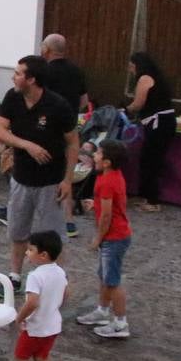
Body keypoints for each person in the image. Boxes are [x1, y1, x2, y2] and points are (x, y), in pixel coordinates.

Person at [0, 55, 78, 292]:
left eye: (18, 73)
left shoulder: (57, 105)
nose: (14, 76)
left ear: (31, 79)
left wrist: (68, 180)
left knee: (54, 235)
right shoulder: (13, 97)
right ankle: (15, 276)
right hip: (21, 177)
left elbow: (72, 142)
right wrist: (26, 145)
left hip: (51, 181)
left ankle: (56, 283)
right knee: (18, 229)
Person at [4, 230, 67, 361]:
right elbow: (66, 292)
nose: (27, 253)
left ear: (43, 255)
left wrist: (20, 317)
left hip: (35, 326)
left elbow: (32, 302)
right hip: (52, 325)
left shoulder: (35, 276)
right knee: (42, 358)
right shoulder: (60, 272)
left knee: (22, 357)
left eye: (30, 250)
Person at [78, 139, 134, 339]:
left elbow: (107, 216)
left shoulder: (108, 181)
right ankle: (102, 311)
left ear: (108, 161)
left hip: (114, 237)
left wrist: (98, 238)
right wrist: (96, 204)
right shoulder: (111, 177)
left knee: (112, 281)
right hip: (116, 236)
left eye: (99, 153)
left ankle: (120, 323)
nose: (95, 155)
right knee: (105, 276)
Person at [39, 33, 87, 236]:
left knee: (41, 172)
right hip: (70, 127)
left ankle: (39, 218)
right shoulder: (76, 71)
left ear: (46, 49)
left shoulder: (44, 72)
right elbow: (84, 101)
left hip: (47, 129)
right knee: (65, 173)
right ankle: (68, 221)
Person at [124, 51, 176, 213]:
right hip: (162, 121)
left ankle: (152, 200)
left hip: (158, 123)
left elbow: (139, 103)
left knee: (150, 160)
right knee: (151, 159)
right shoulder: (158, 78)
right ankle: (148, 196)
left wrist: (124, 110)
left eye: (132, 67)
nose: (131, 70)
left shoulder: (145, 78)